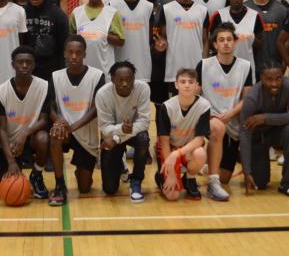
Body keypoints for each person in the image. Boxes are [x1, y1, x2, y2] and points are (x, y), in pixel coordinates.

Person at [47, 36, 105, 205]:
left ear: (84, 54)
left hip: (85, 133)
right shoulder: (55, 76)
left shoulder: (97, 76)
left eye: (78, 53)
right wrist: (58, 120)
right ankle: (59, 185)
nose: (74, 56)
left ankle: (81, 170)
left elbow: (96, 109)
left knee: (85, 188)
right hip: (64, 131)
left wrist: (72, 127)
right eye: (70, 52)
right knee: (55, 135)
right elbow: (48, 107)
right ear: (64, 54)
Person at [199, 23, 253, 201]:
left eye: (229, 39)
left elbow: (247, 99)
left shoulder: (245, 66)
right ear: (215, 44)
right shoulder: (204, 65)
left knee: (226, 177)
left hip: (233, 122)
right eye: (221, 40)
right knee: (217, 128)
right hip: (210, 119)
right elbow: (196, 95)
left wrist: (230, 114)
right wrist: (207, 114)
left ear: (235, 42)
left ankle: (206, 166)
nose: (226, 43)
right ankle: (213, 185)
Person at [238, 63, 289, 196]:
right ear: (261, 79)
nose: (274, 83)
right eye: (269, 79)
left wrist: (265, 118)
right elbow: (244, 134)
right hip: (258, 137)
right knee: (259, 183)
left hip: (279, 132)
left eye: (278, 78)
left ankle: (288, 182)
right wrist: (247, 171)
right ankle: (247, 163)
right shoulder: (252, 97)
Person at [0, 46, 52, 199]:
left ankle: (37, 175)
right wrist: (11, 161)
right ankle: (3, 161)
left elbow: (44, 120)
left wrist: (25, 133)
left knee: (43, 138)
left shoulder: (44, 86)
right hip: (11, 143)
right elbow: (1, 129)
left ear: (34, 64)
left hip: (31, 138)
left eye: (28, 62)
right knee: (6, 187)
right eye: (20, 62)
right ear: (13, 65)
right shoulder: (1, 91)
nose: (24, 65)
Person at [95, 61, 152, 201]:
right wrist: (120, 129)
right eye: (121, 80)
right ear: (113, 80)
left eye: (129, 79)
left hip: (126, 135)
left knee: (143, 139)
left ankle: (136, 180)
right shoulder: (102, 94)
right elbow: (105, 128)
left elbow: (144, 122)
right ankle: (120, 164)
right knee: (109, 190)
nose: (125, 84)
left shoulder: (143, 88)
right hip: (111, 135)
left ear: (134, 78)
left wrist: (118, 138)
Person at [157, 68, 212, 201]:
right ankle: (160, 176)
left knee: (200, 153)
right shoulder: (166, 107)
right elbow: (164, 141)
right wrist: (170, 174)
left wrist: (178, 153)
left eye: (191, 82)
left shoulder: (204, 106)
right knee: (173, 196)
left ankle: (190, 178)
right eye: (182, 82)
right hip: (169, 149)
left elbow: (199, 140)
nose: (187, 85)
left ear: (197, 85)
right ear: (176, 85)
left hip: (187, 149)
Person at [157, 0, 209, 88]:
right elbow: (163, 38)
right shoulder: (166, 9)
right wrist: (161, 44)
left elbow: (205, 40)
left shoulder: (202, 10)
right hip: (174, 69)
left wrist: (204, 64)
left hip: (196, 67)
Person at [70, 0, 124, 73]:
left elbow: (121, 41)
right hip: (81, 70)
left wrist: (103, 35)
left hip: (104, 70)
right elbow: (71, 37)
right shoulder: (76, 12)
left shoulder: (113, 13)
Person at [209, 0, 263, 78]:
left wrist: (249, 38)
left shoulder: (254, 15)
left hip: (247, 66)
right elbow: (212, 42)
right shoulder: (219, 15)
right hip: (222, 66)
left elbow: (260, 44)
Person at [246, 0, 289, 79]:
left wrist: (285, 61)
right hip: (251, 64)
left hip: (276, 64)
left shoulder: (282, 9)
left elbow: (288, 39)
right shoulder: (245, 8)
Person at [24, 0, 69, 80]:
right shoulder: (22, 12)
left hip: (52, 69)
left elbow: (64, 45)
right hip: (27, 68)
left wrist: (62, 71)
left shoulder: (58, 15)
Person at [114, 0, 154, 83]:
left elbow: (150, 36)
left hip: (142, 63)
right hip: (119, 61)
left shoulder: (148, 6)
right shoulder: (112, 5)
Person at [140, 0, 169, 104]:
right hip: (140, 58)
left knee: (159, 101)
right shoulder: (137, 9)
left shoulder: (166, 10)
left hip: (159, 61)